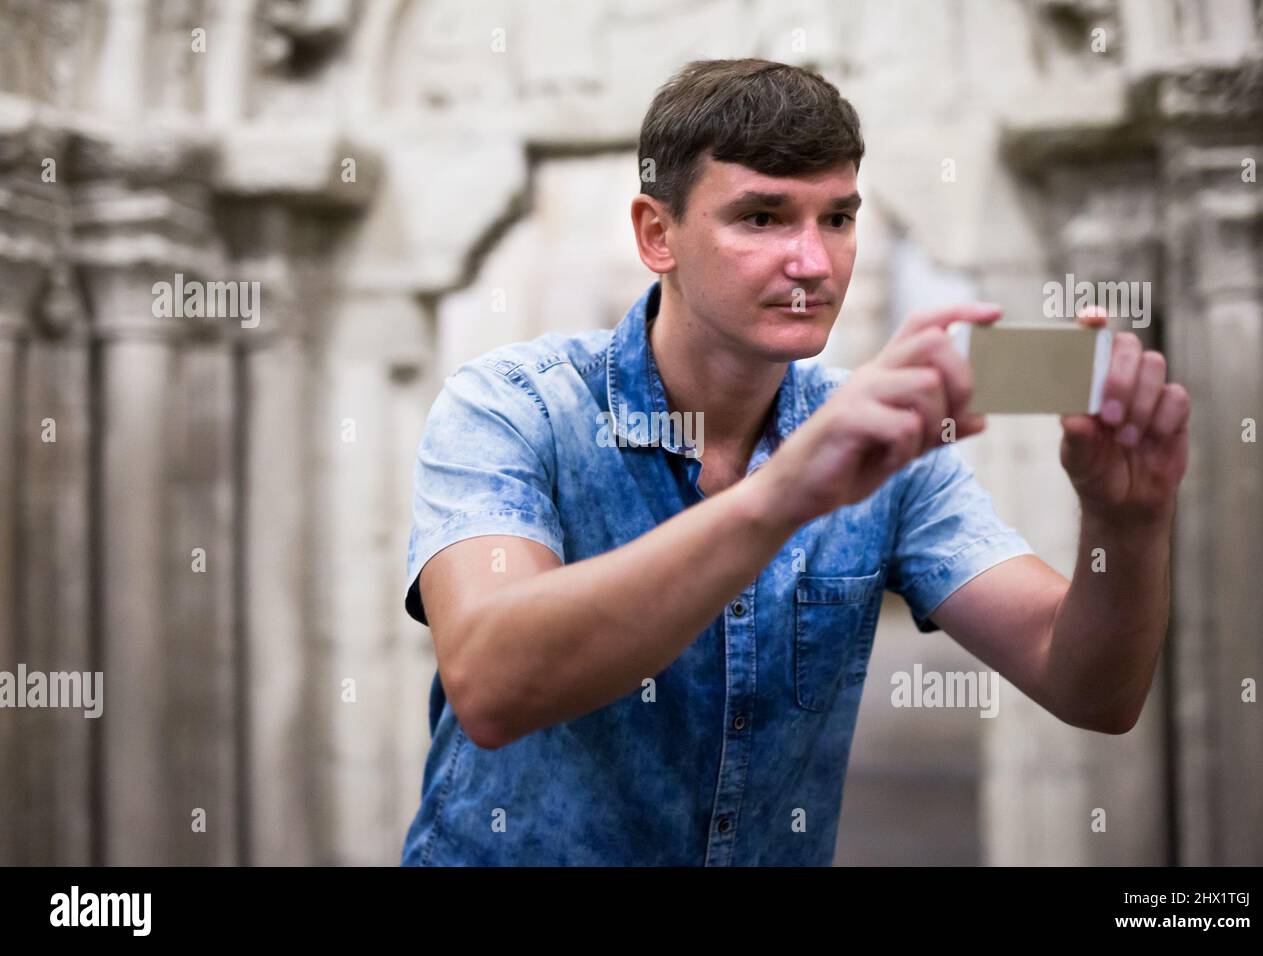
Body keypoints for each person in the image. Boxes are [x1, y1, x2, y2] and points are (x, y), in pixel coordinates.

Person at [399, 58, 1190, 866]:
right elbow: (493, 685)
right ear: (656, 234)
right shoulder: (512, 406)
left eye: (838, 219)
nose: (814, 263)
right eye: (763, 218)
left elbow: (1091, 689)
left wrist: (1127, 523)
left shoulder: (883, 442)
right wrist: (782, 494)